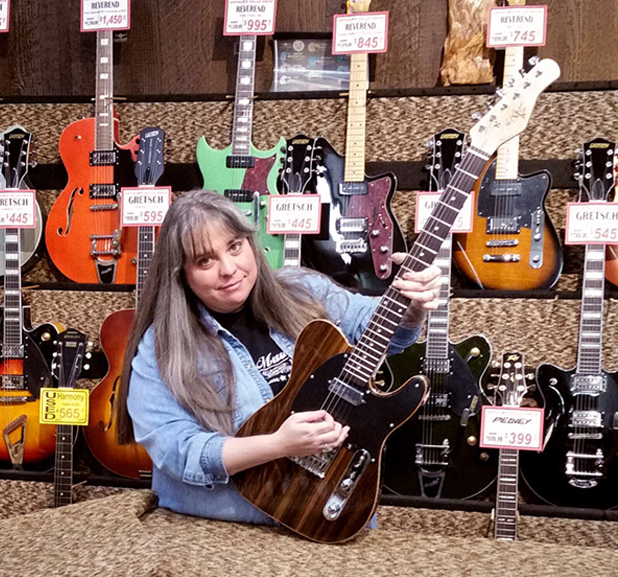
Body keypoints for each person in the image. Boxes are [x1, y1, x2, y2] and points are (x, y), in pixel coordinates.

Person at [117, 189, 441, 524]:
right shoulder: (162, 346)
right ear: (181, 274)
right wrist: (278, 445)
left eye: (234, 246)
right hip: (227, 527)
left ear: (251, 243)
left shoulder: (304, 291)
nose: (229, 269)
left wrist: (412, 306)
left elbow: (378, 329)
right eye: (205, 260)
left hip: (331, 509)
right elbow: (178, 451)